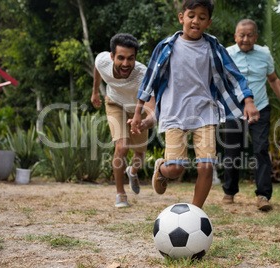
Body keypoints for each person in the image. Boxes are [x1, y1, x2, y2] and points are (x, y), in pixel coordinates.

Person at [130, 0, 260, 209]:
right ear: (182, 17)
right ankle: (161, 169)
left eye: (202, 17)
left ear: (208, 22)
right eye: (191, 15)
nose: (196, 21)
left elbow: (235, 75)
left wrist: (249, 101)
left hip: (205, 113)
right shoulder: (165, 47)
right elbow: (149, 81)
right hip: (174, 113)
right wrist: (138, 112)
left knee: (206, 166)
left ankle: (195, 212)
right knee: (175, 170)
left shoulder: (213, 47)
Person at [222, 19, 280, 211]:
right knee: (232, 151)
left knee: (261, 149)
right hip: (234, 109)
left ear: (256, 37)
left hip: (260, 108)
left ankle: (263, 195)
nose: (245, 39)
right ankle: (229, 192)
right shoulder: (227, 54)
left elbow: (273, 79)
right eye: (242, 35)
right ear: (235, 36)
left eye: (249, 35)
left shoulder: (264, 54)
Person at [91, 33, 155, 208]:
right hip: (115, 103)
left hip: (138, 109)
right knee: (122, 146)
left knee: (140, 155)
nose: (126, 64)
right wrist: (95, 91)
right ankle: (120, 193)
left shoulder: (143, 74)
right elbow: (97, 67)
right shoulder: (103, 61)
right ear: (112, 56)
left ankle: (132, 172)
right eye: (121, 58)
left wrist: (146, 120)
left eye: (130, 58)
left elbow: (153, 107)